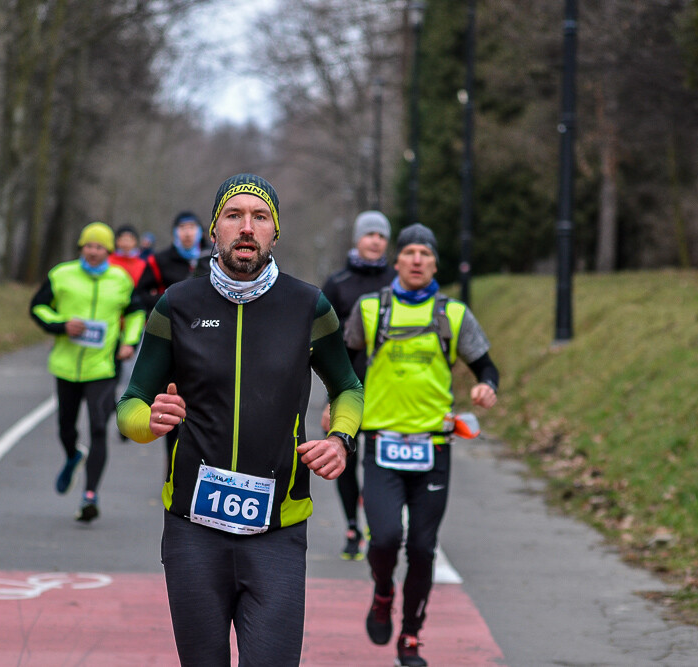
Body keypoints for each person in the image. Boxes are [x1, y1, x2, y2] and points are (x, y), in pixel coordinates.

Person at [116, 173, 364, 666]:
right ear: (214, 230)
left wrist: (341, 439)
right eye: (234, 215)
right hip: (192, 527)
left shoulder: (308, 306)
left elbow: (349, 388)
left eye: (260, 217)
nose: (246, 227)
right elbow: (131, 403)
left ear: (275, 233)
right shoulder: (177, 305)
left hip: (278, 529)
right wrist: (150, 421)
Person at [343, 223, 499, 667]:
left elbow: (487, 366)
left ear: (434, 264)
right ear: (396, 262)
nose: (415, 259)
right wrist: (340, 404)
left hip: (433, 447)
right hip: (382, 444)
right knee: (386, 538)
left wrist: (487, 387)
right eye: (408, 252)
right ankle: (382, 590)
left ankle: (410, 635)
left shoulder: (453, 315)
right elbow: (347, 365)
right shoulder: (370, 310)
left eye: (424, 254)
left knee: (424, 549)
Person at [29, 222, 145, 522]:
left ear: (108, 251)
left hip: (102, 367)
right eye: (89, 246)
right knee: (66, 428)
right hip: (66, 366)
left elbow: (134, 313)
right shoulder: (62, 274)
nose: (93, 252)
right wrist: (61, 324)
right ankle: (72, 456)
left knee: (98, 428)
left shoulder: (119, 279)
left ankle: (90, 495)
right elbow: (37, 307)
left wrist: (129, 342)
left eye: (100, 247)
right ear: (81, 248)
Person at [320, 210, 396, 561]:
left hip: (390, 392)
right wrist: (330, 398)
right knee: (345, 456)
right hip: (347, 387)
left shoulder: (398, 280)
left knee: (380, 463)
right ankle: (352, 525)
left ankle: (379, 525)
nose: (375, 240)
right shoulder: (338, 283)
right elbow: (324, 342)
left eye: (381, 235)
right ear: (357, 239)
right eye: (369, 234)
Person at [134, 210, 214, 465]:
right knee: (174, 415)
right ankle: (174, 478)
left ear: (201, 231)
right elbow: (138, 295)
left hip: (210, 344)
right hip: (173, 345)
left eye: (192, 227)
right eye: (182, 227)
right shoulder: (160, 261)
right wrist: (167, 304)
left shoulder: (216, 256)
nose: (187, 232)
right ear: (175, 232)